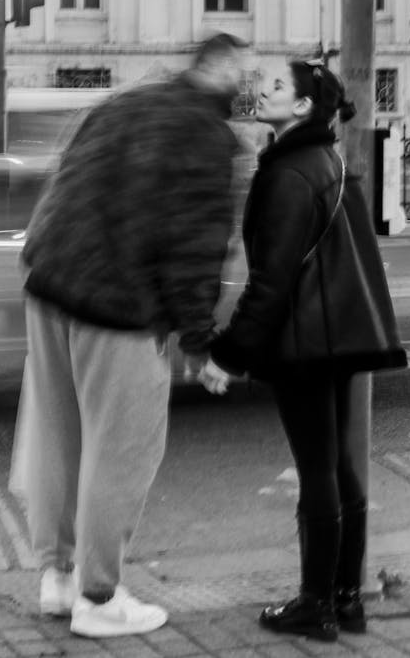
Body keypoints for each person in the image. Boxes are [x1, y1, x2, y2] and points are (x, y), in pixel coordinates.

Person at [17, 33, 246, 638]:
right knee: (122, 450)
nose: (246, 81)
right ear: (217, 67)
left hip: (50, 281)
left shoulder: (121, 103)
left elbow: (61, 179)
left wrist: (40, 257)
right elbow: (195, 245)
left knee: (58, 438)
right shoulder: (208, 136)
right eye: (242, 68)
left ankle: (58, 578)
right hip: (119, 304)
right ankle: (99, 596)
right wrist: (198, 342)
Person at [201, 60, 408, 642]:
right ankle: (346, 601)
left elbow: (273, 278)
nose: (259, 89)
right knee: (339, 466)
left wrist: (229, 353)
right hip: (337, 336)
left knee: (318, 469)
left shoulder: (291, 172)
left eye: (274, 86)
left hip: (307, 342)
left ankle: (315, 604)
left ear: (301, 109)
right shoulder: (327, 161)